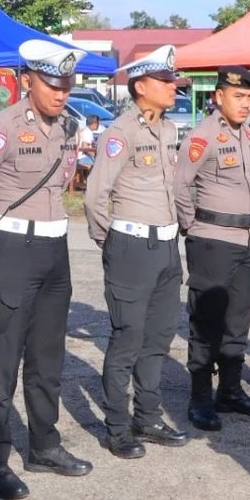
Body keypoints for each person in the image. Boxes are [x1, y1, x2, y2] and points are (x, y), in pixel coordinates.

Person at [0, 38, 91, 500]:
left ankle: (44, 445)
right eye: (52, 85)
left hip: (56, 248)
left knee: (47, 356)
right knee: (2, 359)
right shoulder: (1, 128)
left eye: (66, 85)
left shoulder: (69, 126)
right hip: (13, 248)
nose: (61, 93)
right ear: (28, 81)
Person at [82, 46, 190, 459]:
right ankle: (117, 427)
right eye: (165, 81)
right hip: (131, 245)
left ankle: (148, 417)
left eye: (173, 81)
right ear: (141, 86)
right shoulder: (120, 132)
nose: (173, 88)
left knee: (158, 337)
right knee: (127, 339)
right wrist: (109, 242)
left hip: (166, 245)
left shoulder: (168, 130)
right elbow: (95, 195)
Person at [173, 67, 250, 431]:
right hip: (212, 240)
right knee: (206, 321)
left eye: (249, 98)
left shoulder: (245, 134)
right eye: (238, 97)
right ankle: (200, 398)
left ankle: (229, 391)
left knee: (238, 317)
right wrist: (192, 226)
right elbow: (179, 186)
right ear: (218, 97)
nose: (245, 104)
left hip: (244, 240)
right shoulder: (203, 136)